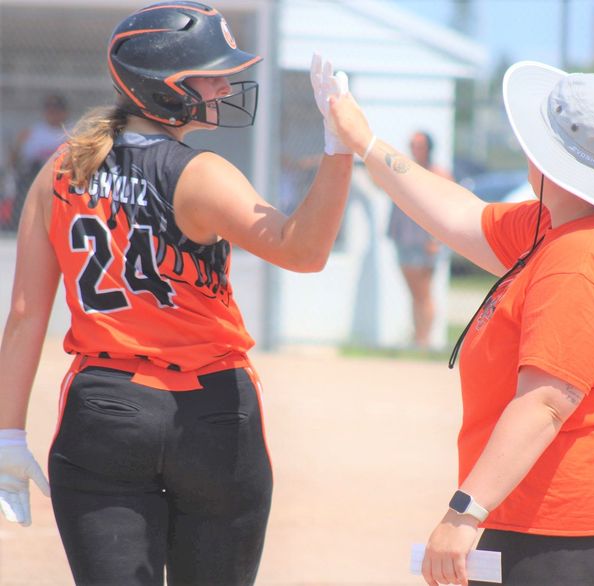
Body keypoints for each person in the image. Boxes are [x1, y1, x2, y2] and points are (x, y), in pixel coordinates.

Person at [0, 2, 352, 585]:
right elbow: (302, 250)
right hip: (212, 413)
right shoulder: (200, 172)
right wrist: (339, 153)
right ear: (162, 88)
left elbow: (24, 314)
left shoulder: (59, 170)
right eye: (209, 74)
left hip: (105, 412)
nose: (226, 83)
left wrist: (8, 432)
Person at [330, 61, 594, 585]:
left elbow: (546, 403)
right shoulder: (568, 227)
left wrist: (464, 514)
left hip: (574, 532)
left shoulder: (579, 257)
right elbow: (459, 215)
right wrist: (365, 142)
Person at [387, 131, 452, 349]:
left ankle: (423, 340)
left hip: (427, 240)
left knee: (423, 293)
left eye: (419, 144)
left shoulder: (438, 173)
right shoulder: (405, 169)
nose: (414, 148)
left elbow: (447, 207)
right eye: (412, 144)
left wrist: (436, 239)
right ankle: (419, 338)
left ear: (428, 148)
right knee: (416, 293)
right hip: (406, 238)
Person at [7, 93, 69, 229]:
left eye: (57, 109)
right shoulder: (33, 132)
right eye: (49, 108)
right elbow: (16, 159)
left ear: (64, 111)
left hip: (61, 176)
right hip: (34, 176)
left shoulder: (70, 132)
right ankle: (18, 223)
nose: (53, 112)